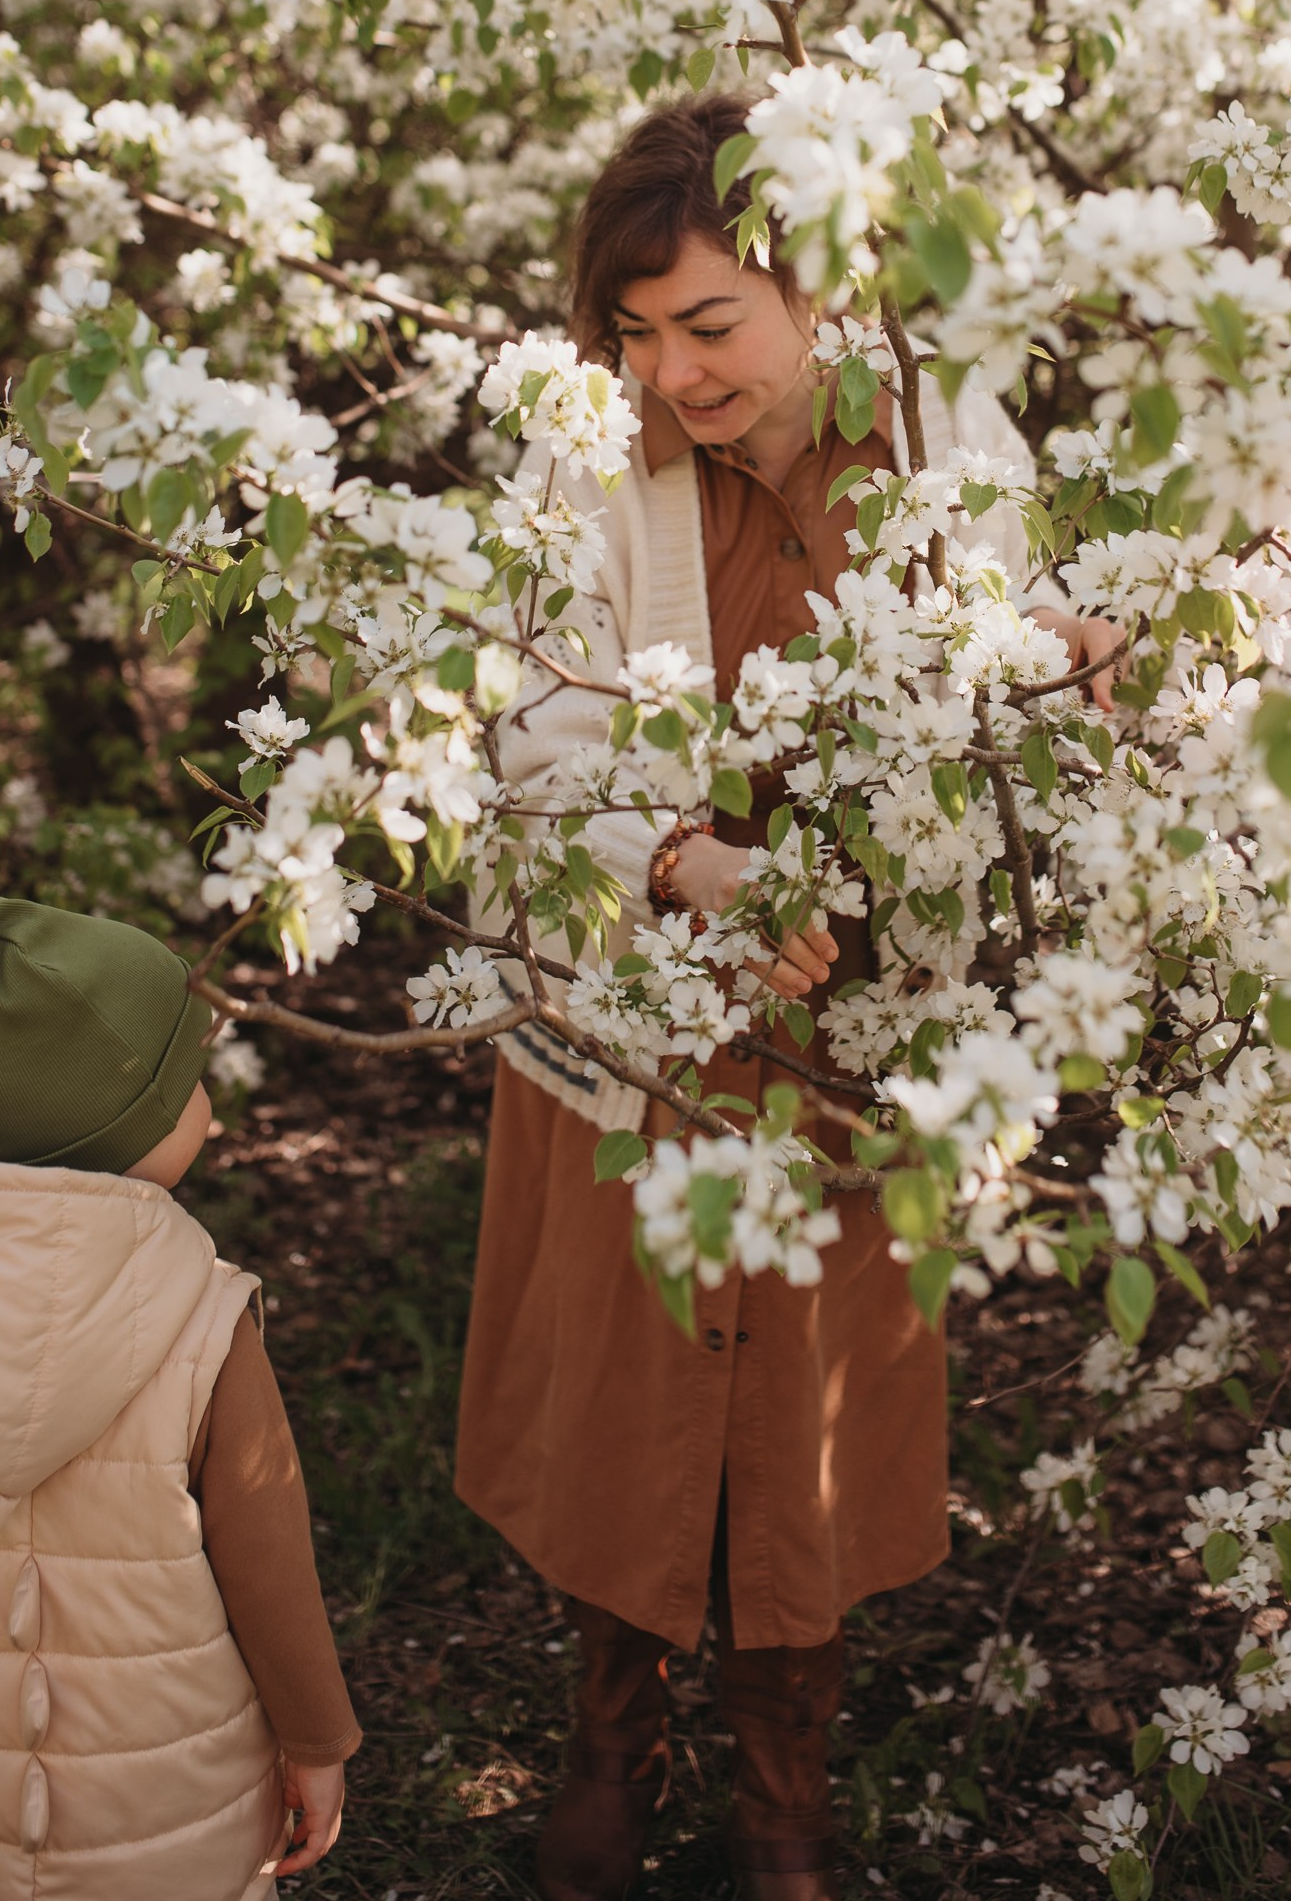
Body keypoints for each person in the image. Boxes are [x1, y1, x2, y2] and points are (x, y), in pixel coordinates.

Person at [454, 94, 1118, 1901]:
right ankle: (612, 1727)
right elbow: (528, 723)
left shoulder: (939, 425)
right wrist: (684, 864)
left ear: (814, 290)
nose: (669, 373)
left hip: (853, 1019)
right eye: (633, 333)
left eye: (710, 326)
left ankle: (779, 1785)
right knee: (630, 1386)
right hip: (643, 1004)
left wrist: (1080, 655)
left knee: (803, 1405)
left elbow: (1026, 632)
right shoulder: (591, 459)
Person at [0, 894, 359, 1898]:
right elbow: (267, 1565)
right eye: (190, 1084)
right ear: (130, 1120)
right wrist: (316, 1737)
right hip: (167, 1816)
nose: (213, 1106)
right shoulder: (205, 1323)